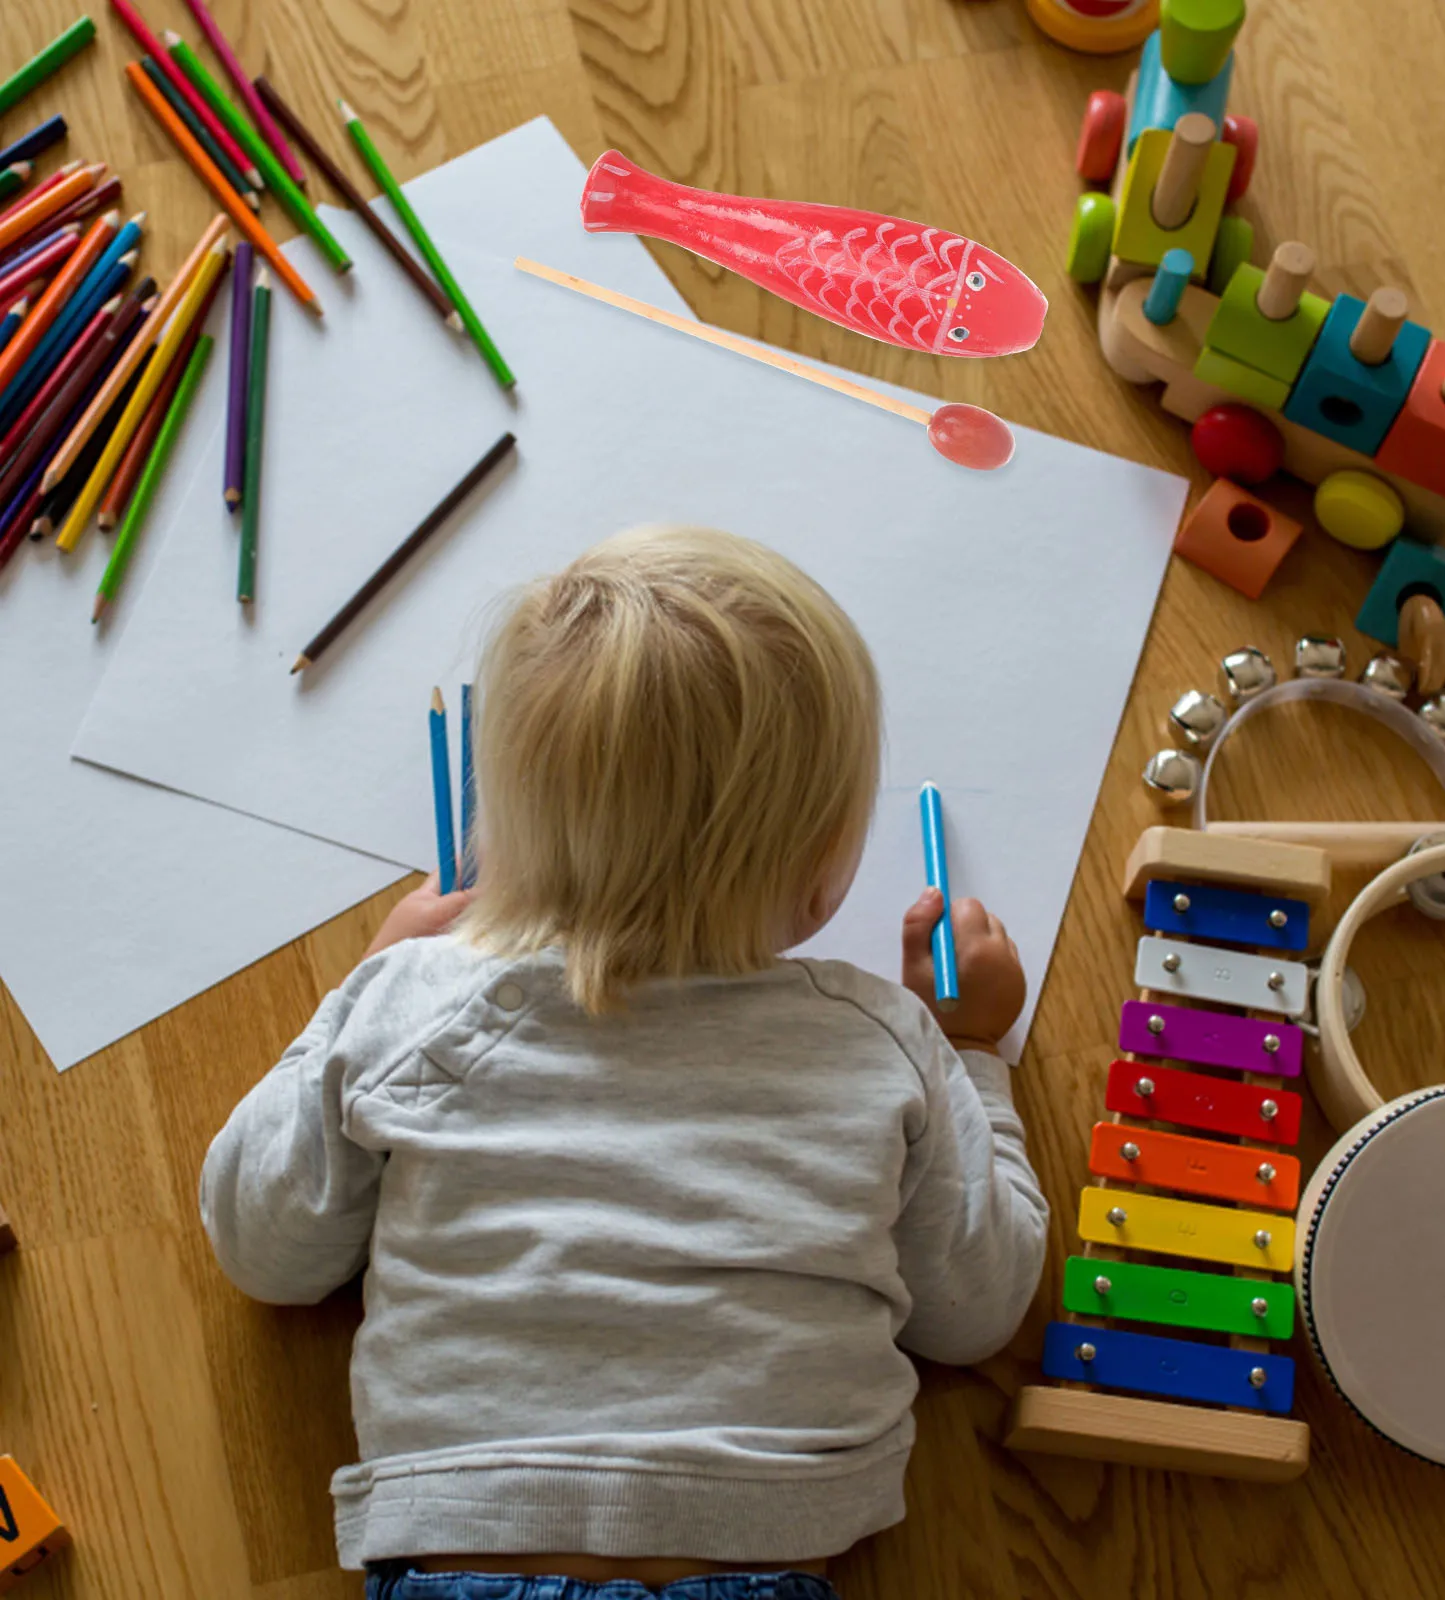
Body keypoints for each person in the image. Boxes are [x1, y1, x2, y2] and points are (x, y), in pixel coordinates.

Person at [201, 526, 1049, 1600]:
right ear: (824, 867)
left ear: (498, 823)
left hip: (460, 1554)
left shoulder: (414, 1002)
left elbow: (259, 1248)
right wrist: (975, 1051)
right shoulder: (880, 1039)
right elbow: (975, 1313)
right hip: (757, 1561)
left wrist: (357, 989)